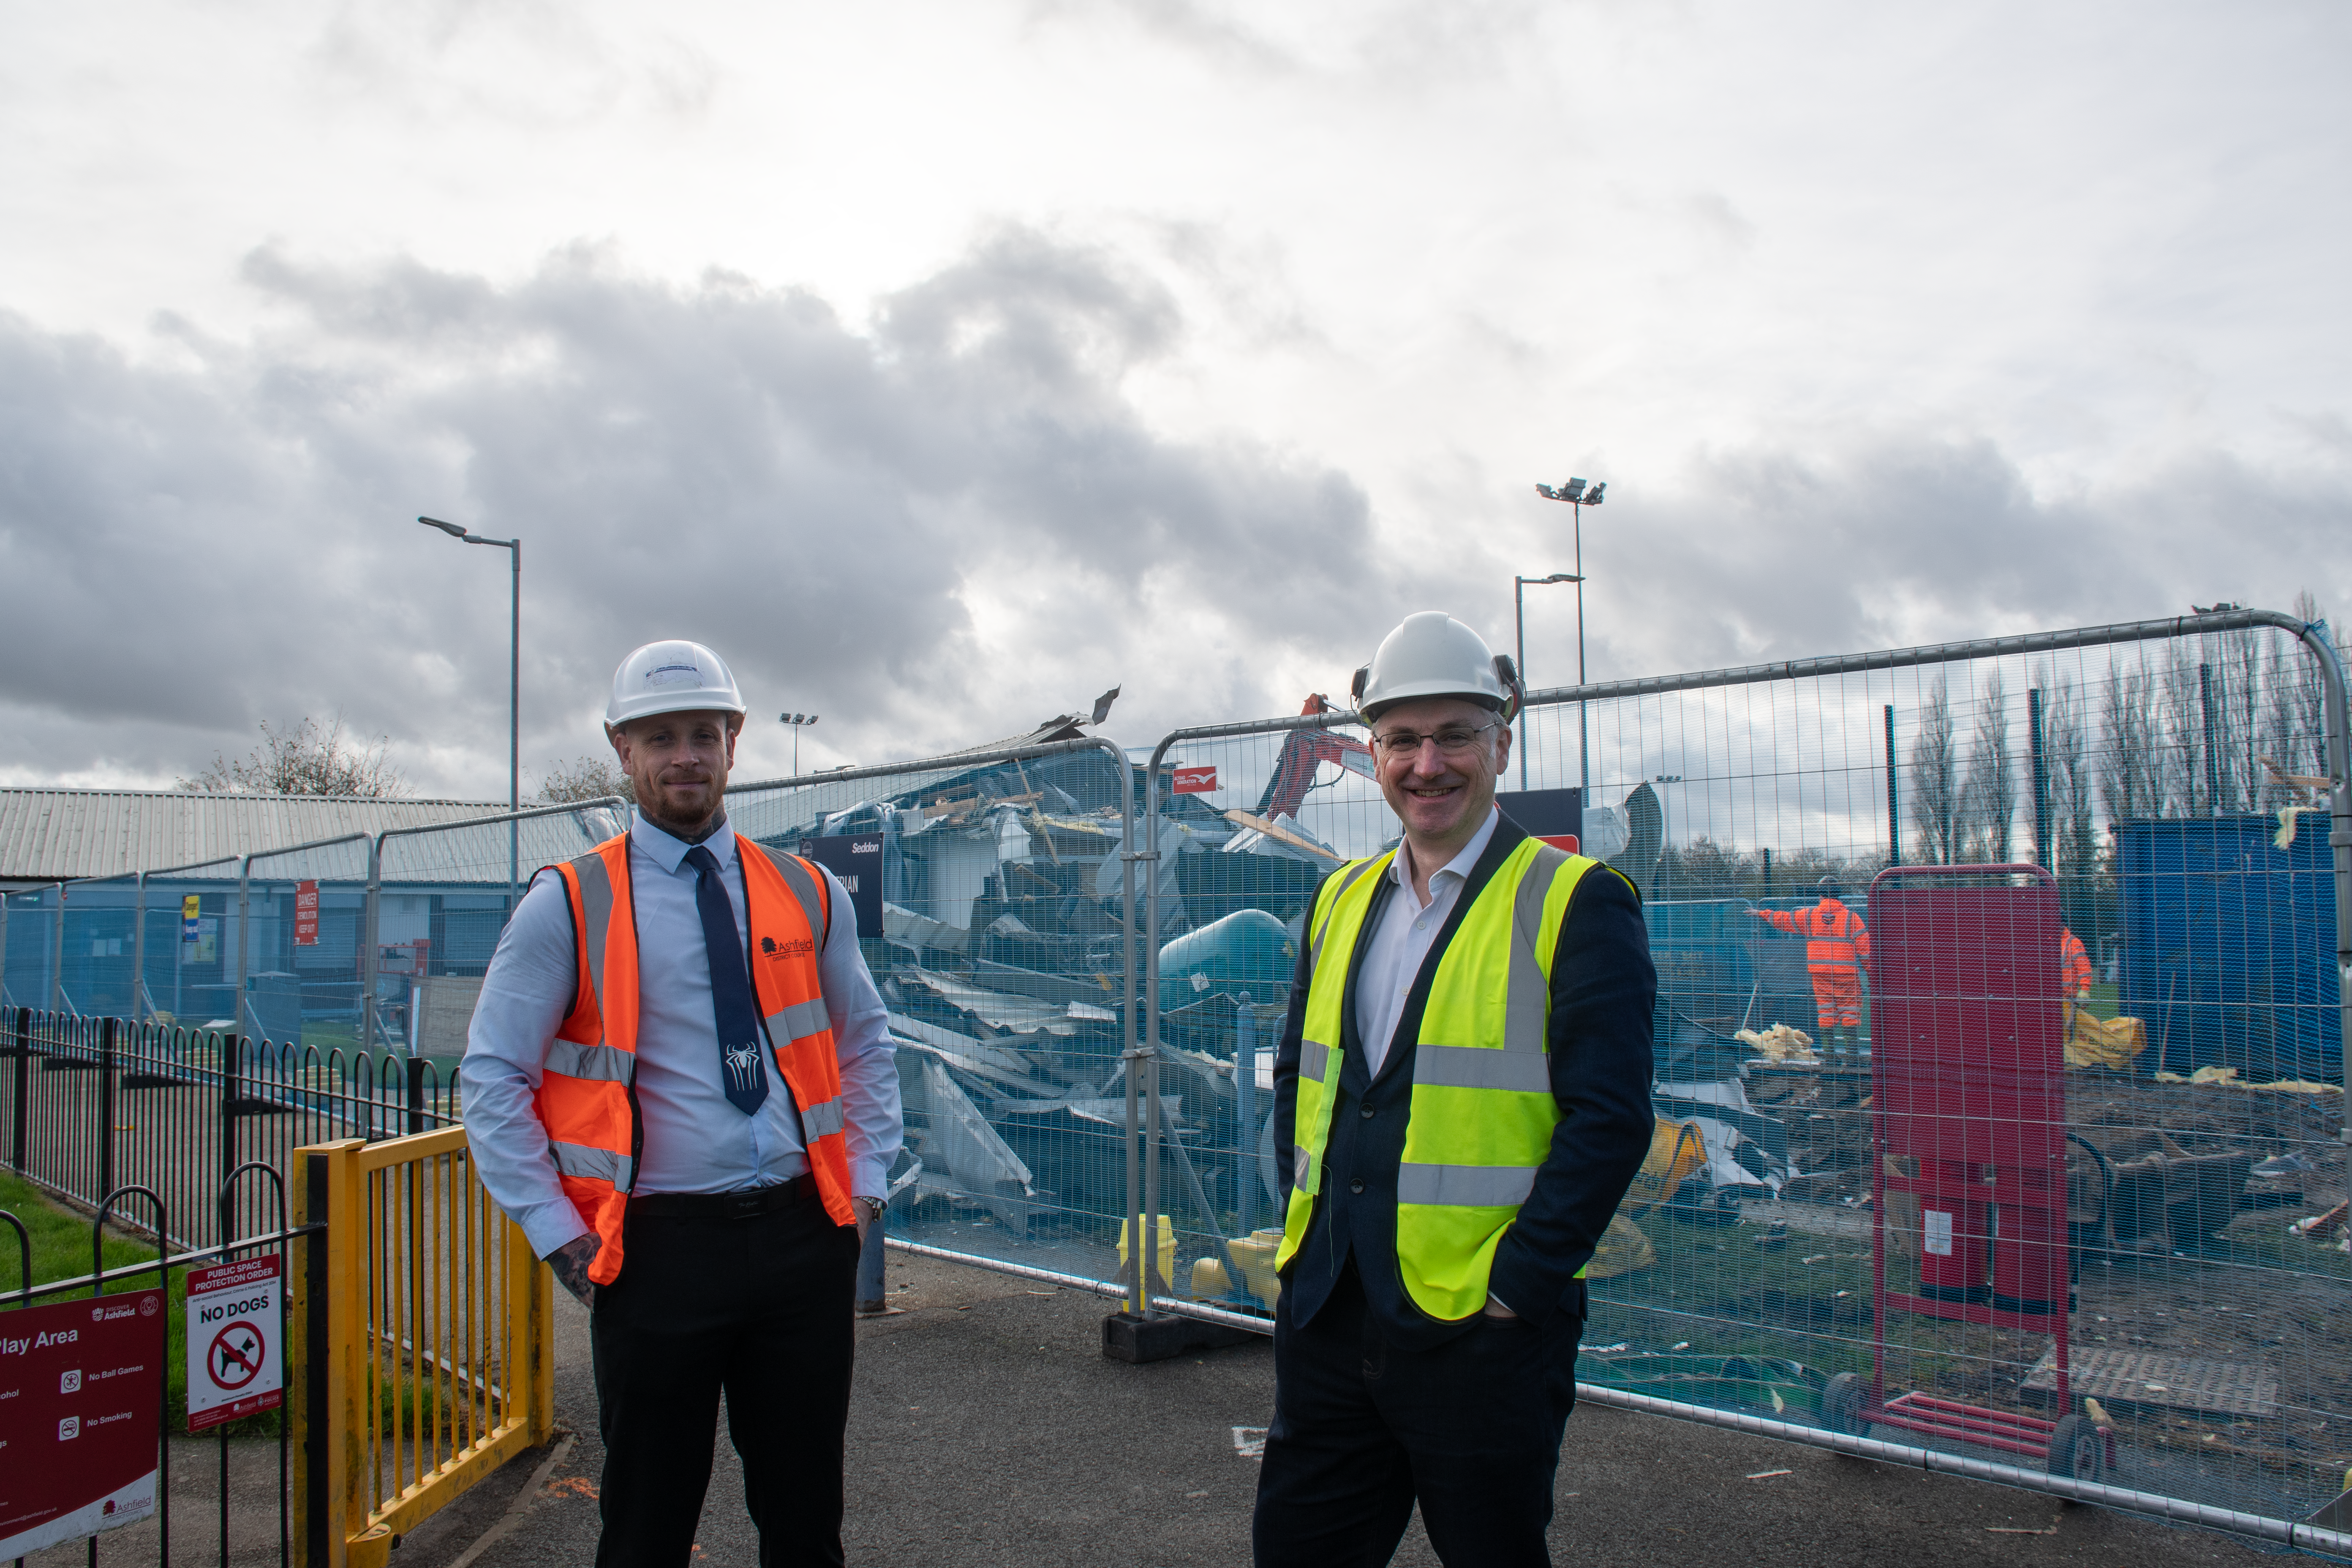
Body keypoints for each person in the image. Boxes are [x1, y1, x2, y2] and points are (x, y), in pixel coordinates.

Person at [463, 639, 901, 1568]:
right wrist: (556, 1230)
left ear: (735, 741)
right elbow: (492, 1077)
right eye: (659, 737)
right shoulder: (568, 903)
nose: (685, 756)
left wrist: (863, 1188)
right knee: (647, 1525)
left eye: (703, 733)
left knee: (805, 1518)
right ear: (622, 751)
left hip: (800, 1243)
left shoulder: (808, 890)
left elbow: (864, 1043)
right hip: (656, 1251)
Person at [1252, 611, 1656, 1568]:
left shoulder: (1575, 900)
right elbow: (1297, 1080)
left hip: (1481, 1335)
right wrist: (1304, 1226)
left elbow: (1609, 1120)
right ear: (1374, 751)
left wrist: (1520, 1287)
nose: (1425, 763)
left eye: (1453, 735)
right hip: (1328, 1309)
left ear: (1501, 744)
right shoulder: (1338, 899)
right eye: (1401, 739)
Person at [1748, 877, 1871, 1052]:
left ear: (1820, 895)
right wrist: (1873, 974)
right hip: (1847, 975)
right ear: (1840, 895)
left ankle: (1830, 1059)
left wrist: (1762, 913)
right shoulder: (1852, 918)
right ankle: (1853, 1059)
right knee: (1850, 1014)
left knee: (1826, 1014)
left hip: (1820, 975)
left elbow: (1784, 919)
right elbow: (1865, 950)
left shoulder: (1810, 915)